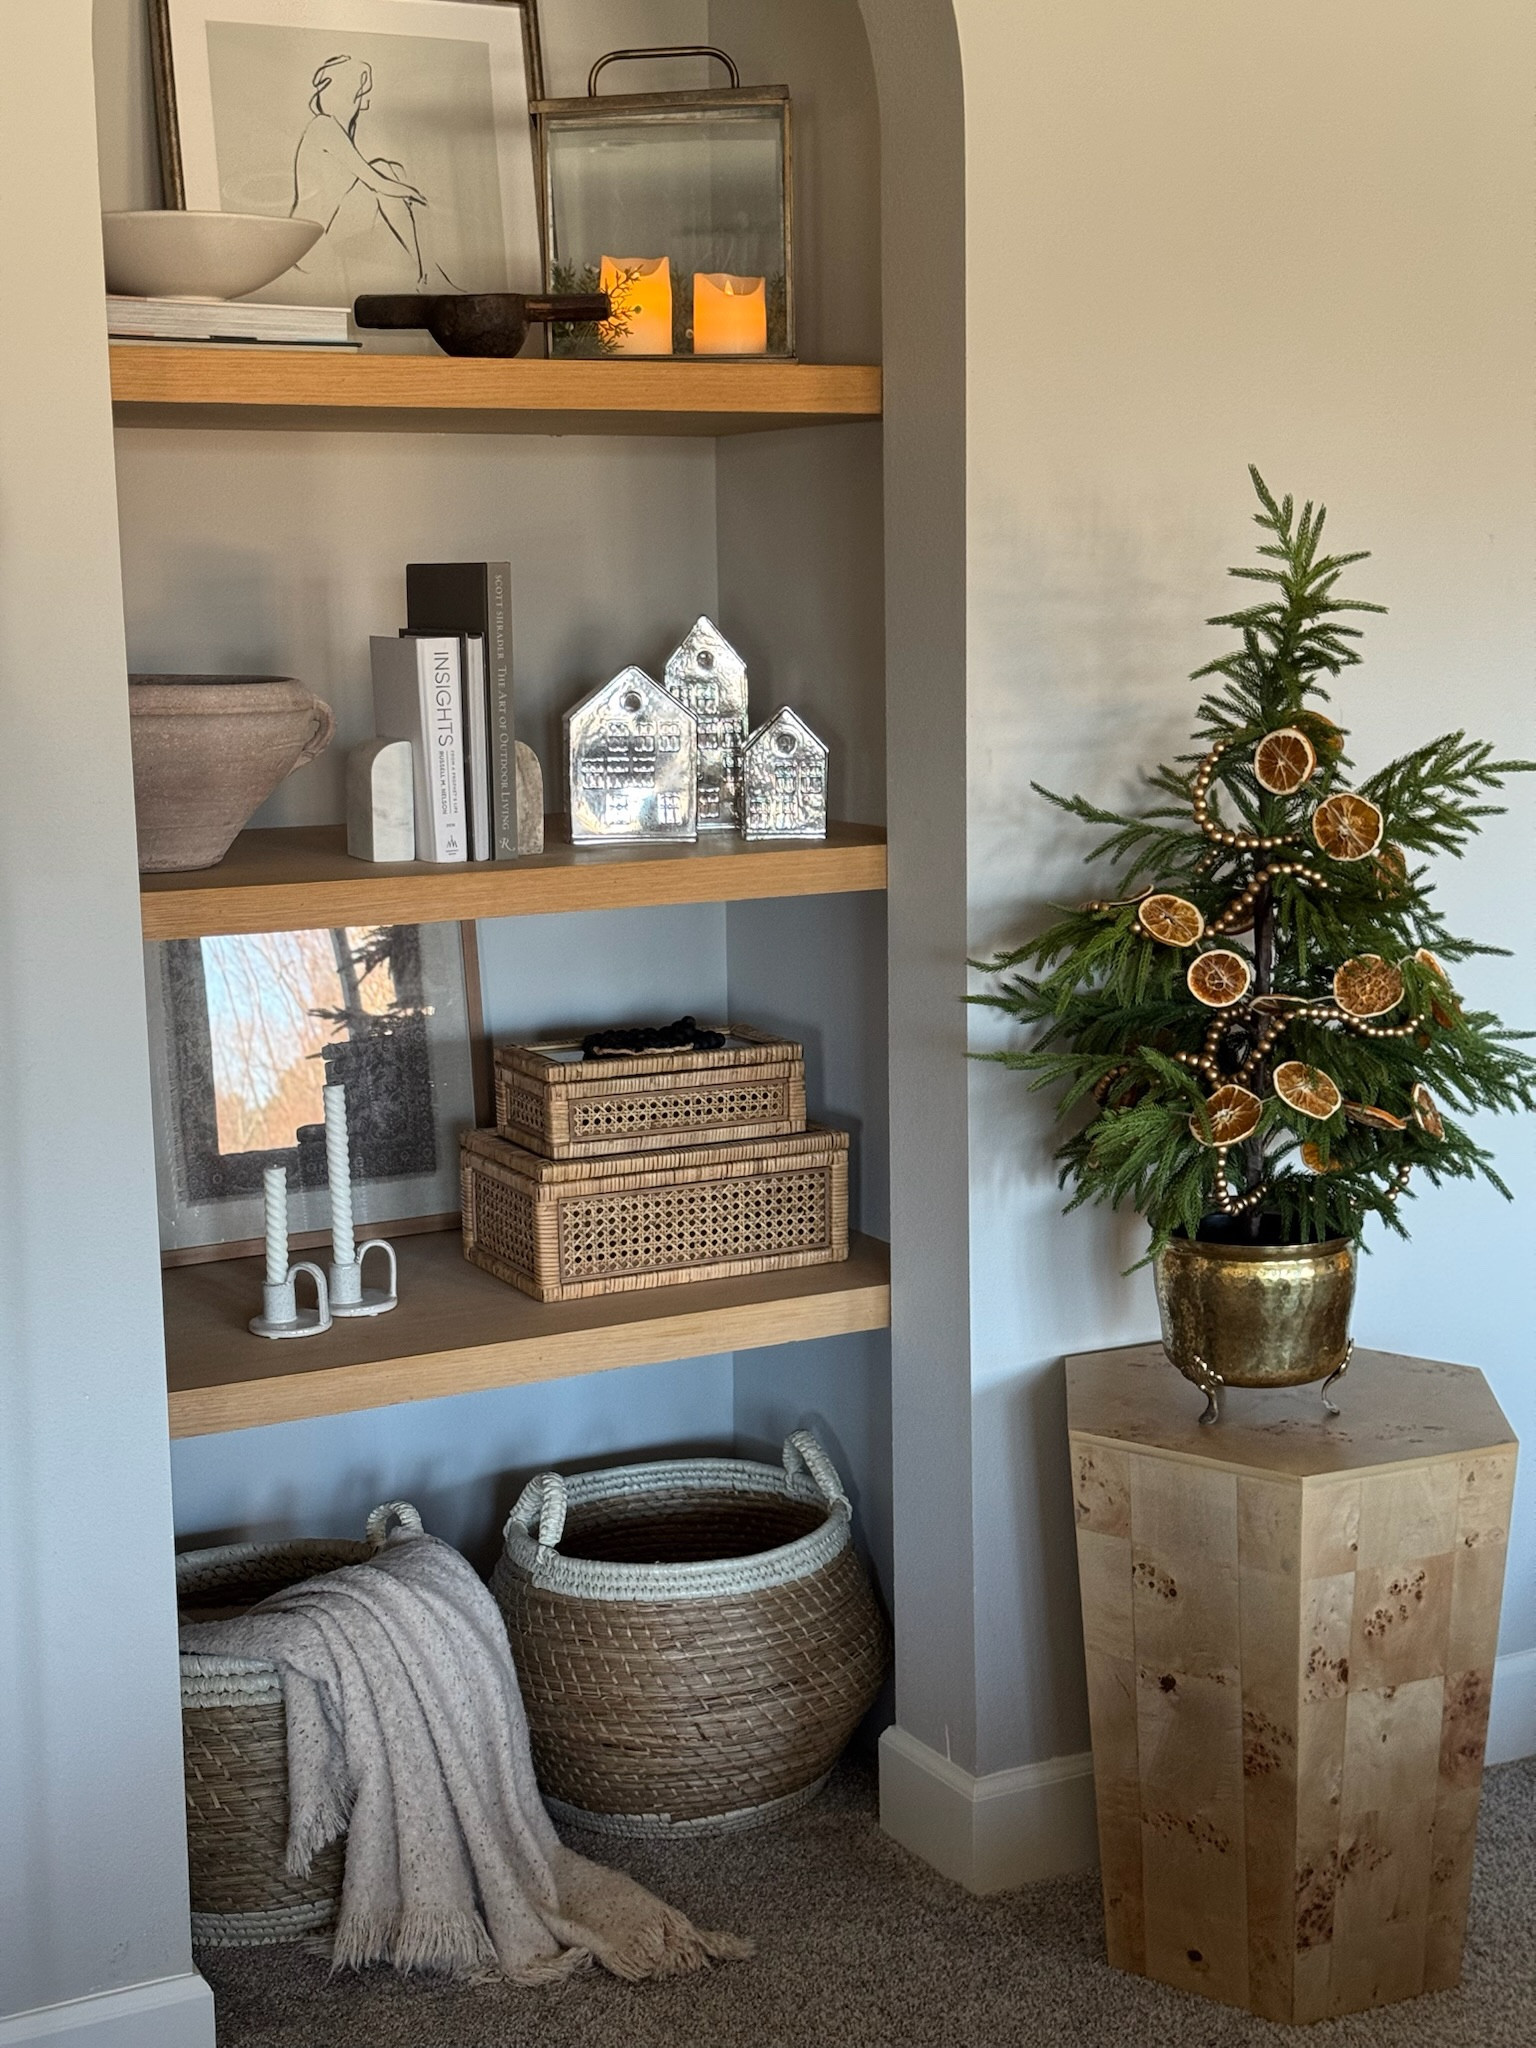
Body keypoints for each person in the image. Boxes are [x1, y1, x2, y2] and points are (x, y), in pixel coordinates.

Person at [289, 53, 457, 292]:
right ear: (349, 93)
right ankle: (428, 274)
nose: (366, 103)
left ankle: (428, 273)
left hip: (327, 236)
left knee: (390, 171)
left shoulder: (338, 129)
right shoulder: (324, 127)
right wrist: (415, 194)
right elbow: (375, 181)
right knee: (384, 172)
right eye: (361, 95)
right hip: (313, 247)